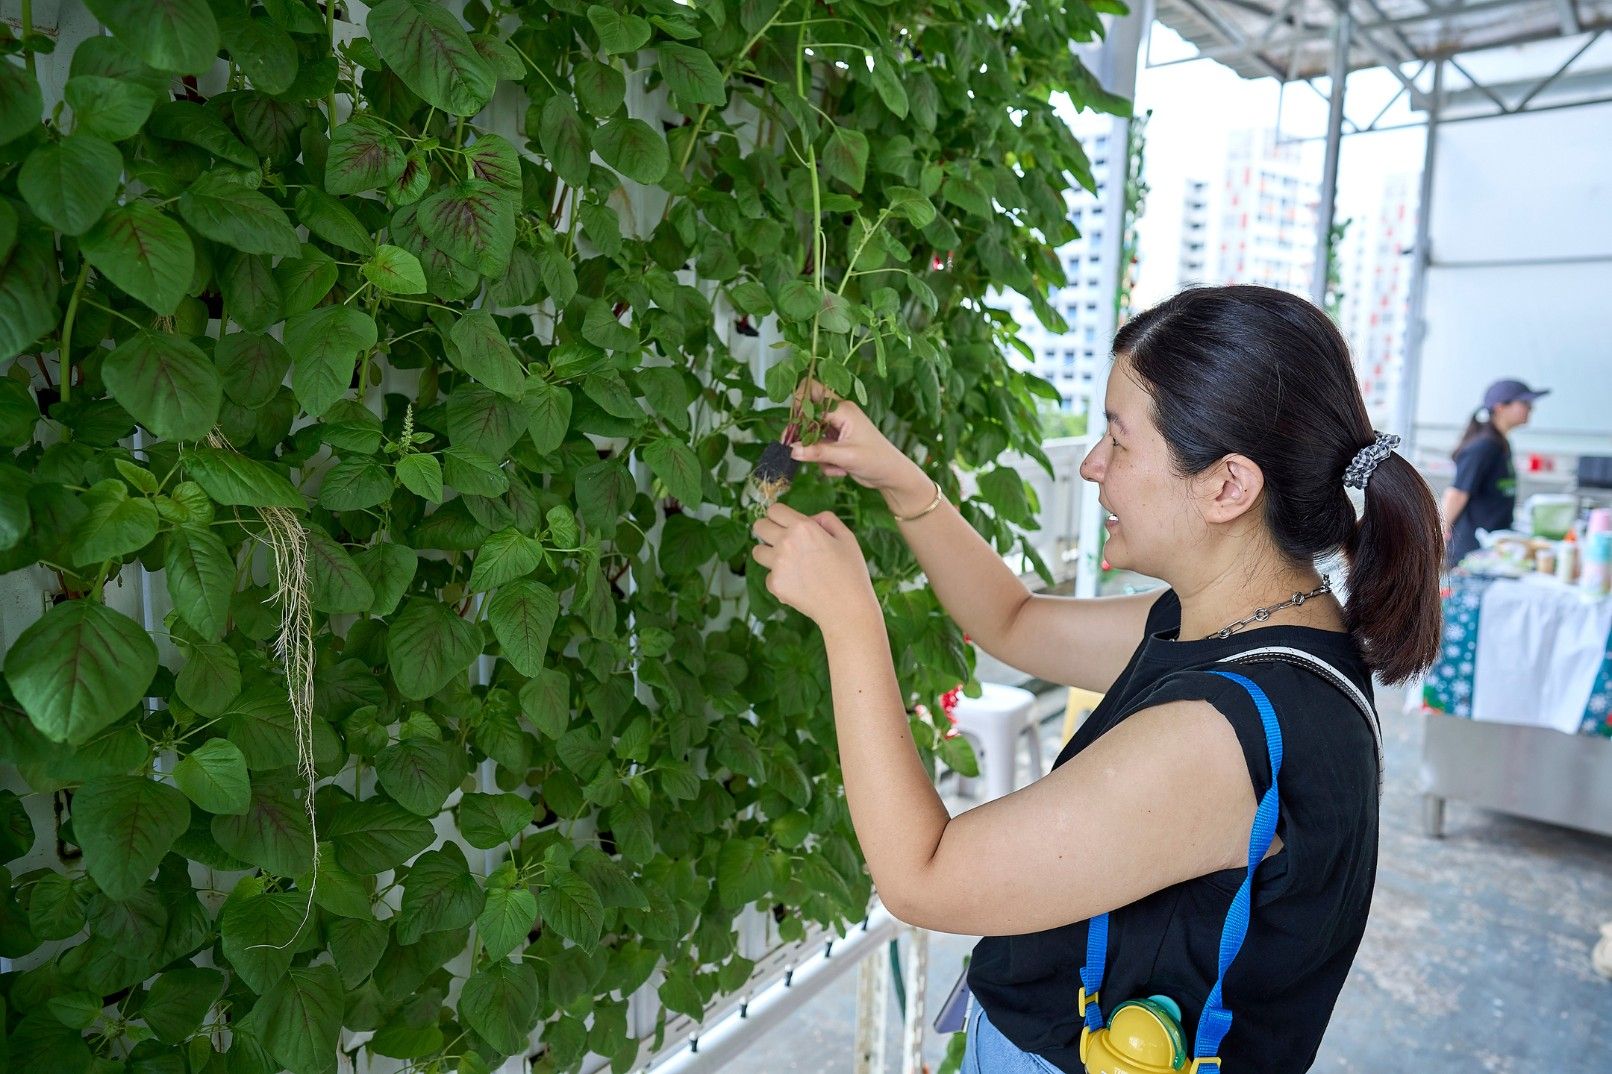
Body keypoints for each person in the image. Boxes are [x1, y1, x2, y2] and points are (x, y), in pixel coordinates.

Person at [750, 284, 1444, 1072]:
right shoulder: (1249, 626)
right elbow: (1011, 621)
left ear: (1228, 486)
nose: (1089, 466)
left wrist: (848, 621)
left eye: (1119, 440)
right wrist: (902, 481)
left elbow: (923, 875)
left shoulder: (1218, 737)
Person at [1441, 378, 1549, 568]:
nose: (1531, 409)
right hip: (1472, 552)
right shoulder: (1483, 446)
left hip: (1493, 546)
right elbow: (1457, 493)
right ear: (1500, 407)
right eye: (1524, 403)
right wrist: (1440, 533)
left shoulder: (1500, 443)